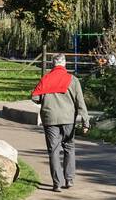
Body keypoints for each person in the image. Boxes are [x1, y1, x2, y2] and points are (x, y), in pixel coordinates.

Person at [31, 54, 90, 192]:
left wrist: (44, 99)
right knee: (69, 147)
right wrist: (85, 122)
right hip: (68, 119)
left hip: (50, 119)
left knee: (54, 150)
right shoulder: (73, 80)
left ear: (53, 64)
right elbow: (80, 102)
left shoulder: (46, 78)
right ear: (64, 64)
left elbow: (35, 97)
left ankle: (57, 183)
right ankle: (69, 179)